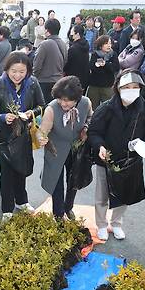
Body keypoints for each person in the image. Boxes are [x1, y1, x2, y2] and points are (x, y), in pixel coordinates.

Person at [88, 69, 145, 241]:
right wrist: (99, 146)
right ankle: (102, 224)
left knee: (124, 195)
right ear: (118, 87)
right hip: (107, 159)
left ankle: (117, 223)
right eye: (127, 86)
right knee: (102, 195)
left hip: (131, 160)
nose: (131, 90)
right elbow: (94, 132)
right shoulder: (106, 108)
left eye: (135, 87)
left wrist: (144, 145)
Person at [0, 52, 45, 220]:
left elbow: (42, 105)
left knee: (21, 169)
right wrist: (4, 117)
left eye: (22, 71)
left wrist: (31, 112)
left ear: (28, 71)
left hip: (24, 134)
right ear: (7, 69)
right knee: (7, 173)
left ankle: (22, 201)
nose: (18, 75)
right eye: (14, 71)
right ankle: (7, 209)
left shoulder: (33, 83)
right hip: (4, 137)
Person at [37, 75, 92, 221]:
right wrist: (41, 138)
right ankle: (58, 213)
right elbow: (42, 130)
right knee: (56, 182)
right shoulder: (52, 108)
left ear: (77, 98)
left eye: (67, 100)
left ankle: (69, 207)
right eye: (60, 99)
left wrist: (86, 127)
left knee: (74, 179)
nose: (63, 103)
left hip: (76, 148)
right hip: (56, 148)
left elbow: (90, 118)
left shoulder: (85, 103)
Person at [33, 19, 67, 105]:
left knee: (44, 108)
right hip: (58, 80)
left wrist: (35, 76)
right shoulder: (63, 44)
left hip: (44, 81)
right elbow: (65, 61)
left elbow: (37, 65)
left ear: (47, 31)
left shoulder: (44, 44)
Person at [86, 35, 119, 107]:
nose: (109, 45)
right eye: (106, 43)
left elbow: (116, 67)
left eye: (110, 43)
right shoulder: (95, 54)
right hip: (94, 85)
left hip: (107, 85)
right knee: (92, 106)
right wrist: (96, 65)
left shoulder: (113, 54)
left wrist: (106, 65)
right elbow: (91, 67)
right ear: (101, 45)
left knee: (109, 107)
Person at [64, 24, 90, 91]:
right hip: (84, 79)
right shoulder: (86, 45)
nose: (70, 34)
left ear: (77, 34)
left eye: (72, 32)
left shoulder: (73, 48)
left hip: (73, 80)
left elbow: (67, 64)